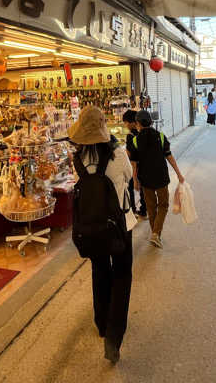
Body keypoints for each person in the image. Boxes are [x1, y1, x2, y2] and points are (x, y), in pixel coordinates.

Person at [68, 106, 136, 364]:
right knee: (121, 276)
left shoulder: (79, 159)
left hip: (91, 227)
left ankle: (101, 323)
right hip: (120, 226)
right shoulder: (118, 154)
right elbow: (129, 176)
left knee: (99, 271)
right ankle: (113, 337)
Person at [128, 110, 185, 249]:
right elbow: (169, 156)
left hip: (145, 179)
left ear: (137, 124)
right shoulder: (160, 136)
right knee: (163, 205)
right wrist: (178, 173)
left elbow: (134, 163)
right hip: (161, 177)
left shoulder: (134, 140)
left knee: (151, 207)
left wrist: (135, 180)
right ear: (152, 122)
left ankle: (155, 234)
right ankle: (155, 234)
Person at [122, 110, 146, 219]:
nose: (125, 125)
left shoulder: (130, 135)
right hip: (143, 164)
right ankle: (144, 210)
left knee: (130, 187)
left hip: (133, 165)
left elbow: (129, 153)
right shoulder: (141, 131)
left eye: (126, 122)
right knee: (143, 188)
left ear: (131, 122)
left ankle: (132, 211)